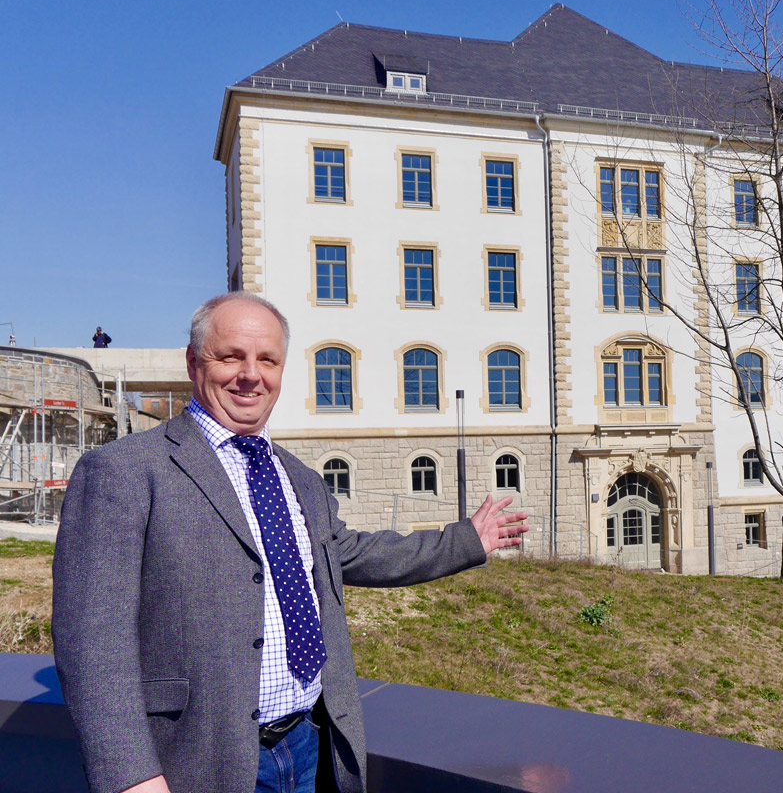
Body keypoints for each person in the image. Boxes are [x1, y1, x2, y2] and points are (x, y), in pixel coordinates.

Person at [53, 292, 528, 793]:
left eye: (268, 360)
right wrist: (131, 776)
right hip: (200, 759)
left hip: (312, 747)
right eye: (230, 355)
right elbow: (92, 641)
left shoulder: (299, 479)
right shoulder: (123, 471)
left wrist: (466, 541)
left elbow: (354, 553)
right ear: (194, 362)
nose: (250, 374)